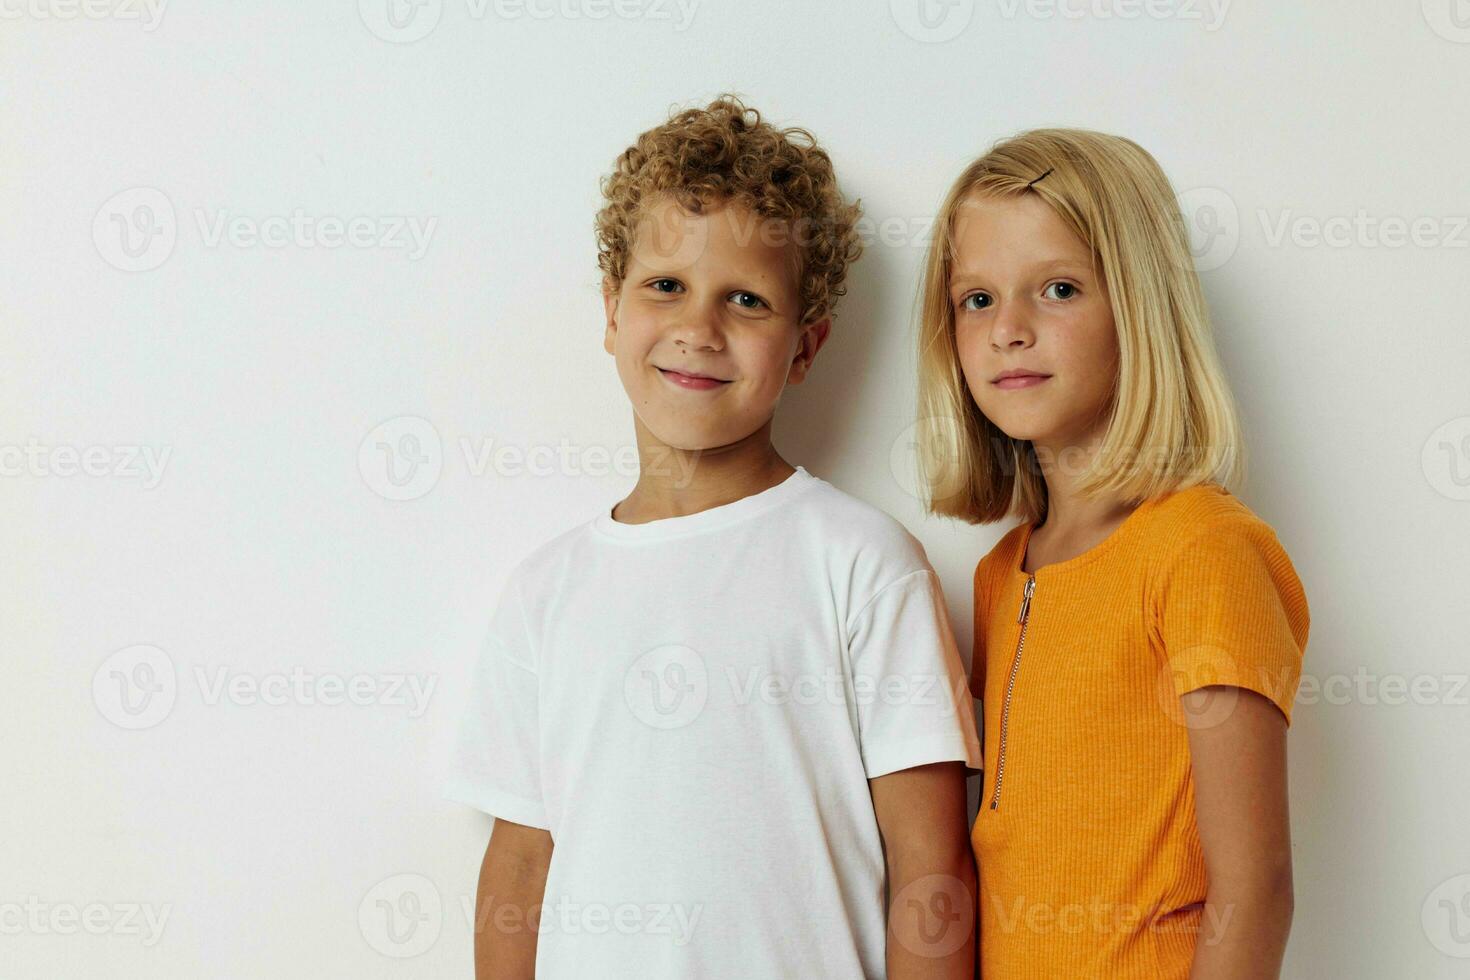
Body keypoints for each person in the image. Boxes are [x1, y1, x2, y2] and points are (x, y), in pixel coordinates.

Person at [443, 94, 982, 979]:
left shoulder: (862, 566)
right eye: (666, 287)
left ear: (805, 349)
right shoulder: (545, 592)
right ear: (612, 312)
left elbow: (932, 869)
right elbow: (518, 866)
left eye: (746, 299)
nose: (699, 329)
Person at [914, 129, 1311, 978]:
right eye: (976, 299)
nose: (1008, 330)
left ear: (1139, 306)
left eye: (1057, 289)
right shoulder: (997, 575)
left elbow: (1257, 887)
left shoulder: (1203, 551)